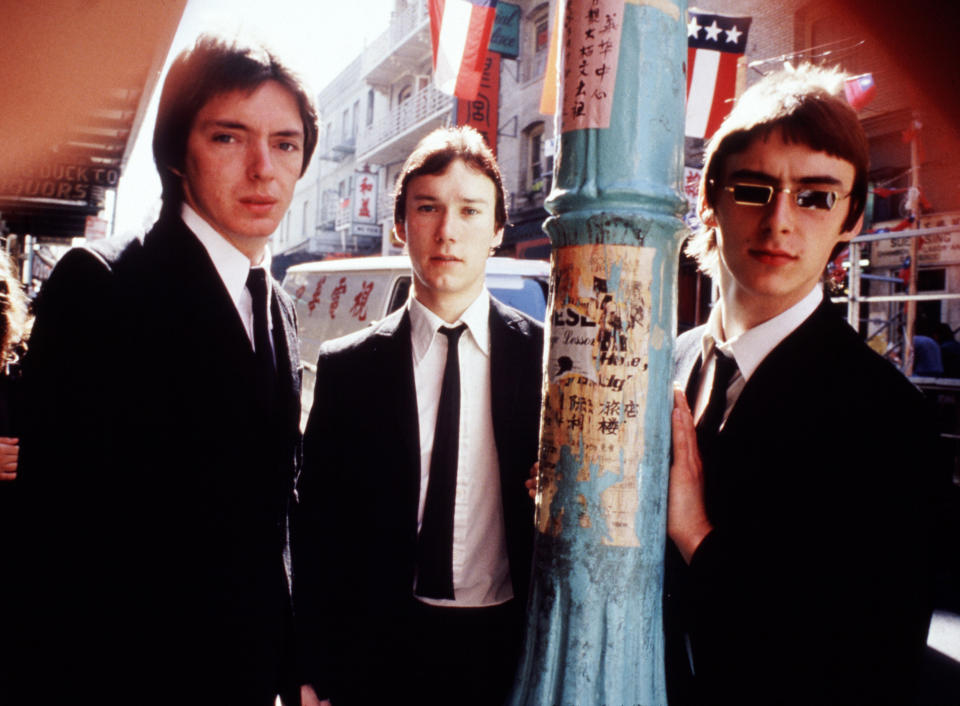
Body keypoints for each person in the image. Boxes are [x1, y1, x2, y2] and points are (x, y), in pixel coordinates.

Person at [14, 35, 317, 705]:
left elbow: (275, 514)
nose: (263, 169)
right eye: (229, 138)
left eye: (286, 143)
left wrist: (294, 662)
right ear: (178, 150)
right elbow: (53, 543)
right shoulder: (102, 285)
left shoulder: (280, 306)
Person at [665, 64, 948, 706]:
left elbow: (872, 657)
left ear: (851, 217)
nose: (780, 222)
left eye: (816, 196)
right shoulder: (669, 363)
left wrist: (695, 537)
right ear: (709, 197)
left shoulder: (888, 417)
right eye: (754, 190)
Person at [292, 126, 543, 706]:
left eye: (470, 211)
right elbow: (316, 528)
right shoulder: (350, 367)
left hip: (507, 645)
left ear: (498, 230)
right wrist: (309, 669)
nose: (447, 231)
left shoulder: (542, 360)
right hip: (381, 648)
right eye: (427, 208)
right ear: (401, 226)